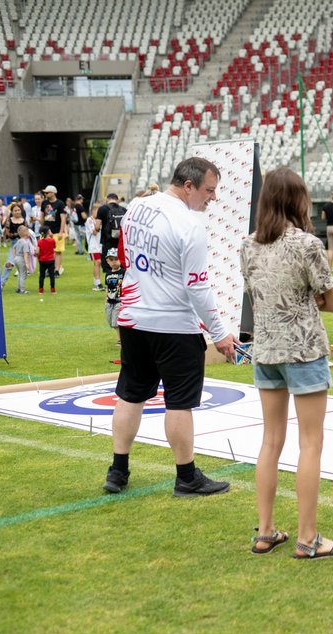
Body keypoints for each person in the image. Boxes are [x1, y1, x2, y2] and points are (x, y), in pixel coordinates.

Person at [102, 157, 237, 497]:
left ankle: (118, 470)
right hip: (174, 324)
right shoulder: (189, 225)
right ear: (188, 185)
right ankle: (186, 476)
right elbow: (197, 287)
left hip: (134, 318)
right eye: (209, 190)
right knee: (179, 403)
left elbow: (129, 257)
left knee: (131, 394)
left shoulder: (136, 207)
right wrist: (219, 333)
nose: (213, 198)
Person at [240, 168, 333, 559]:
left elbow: (257, 296)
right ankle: (308, 537)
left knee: (270, 441)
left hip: (266, 349)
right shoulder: (306, 244)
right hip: (303, 349)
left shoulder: (248, 245)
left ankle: (266, 530)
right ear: (298, 200)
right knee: (310, 444)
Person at [96, 193, 127, 275]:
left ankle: (110, 283)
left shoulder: (102, 209)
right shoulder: (124, 210)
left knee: (108, 264)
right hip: (121, 242)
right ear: (117, 200)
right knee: (121, 263)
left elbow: (97, 226)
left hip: (108, 242)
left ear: (107, 199)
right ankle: (121, 284)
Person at [40, 185, 67, 276]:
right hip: (45, 231)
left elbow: (63, 218)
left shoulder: (60, 203)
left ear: (53, 193)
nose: (45, 194)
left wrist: (61, 232)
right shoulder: (44, 203)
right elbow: (42, 216)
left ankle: (56, 270)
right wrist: (41, 227)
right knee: (45, 251)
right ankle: (48, 269)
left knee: (57, 251)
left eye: (47, 192)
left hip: (56, 230)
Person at [1, 226, 33, 293]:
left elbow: (14, 248)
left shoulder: (19, 241)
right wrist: (27, 264)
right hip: (21, 259)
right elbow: (25, 254)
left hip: (16, 259)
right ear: (26, 233)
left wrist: (15, 257)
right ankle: (22, 290)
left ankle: (18, 289)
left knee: (20, 274)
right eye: (28, 231)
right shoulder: (25, 243)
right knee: (23, 275)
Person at [104, 248, 125, 342]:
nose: (114, 262)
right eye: (111, 260)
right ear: (107, 261)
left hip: (119, 301)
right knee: (111, 321)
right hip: (109, 301)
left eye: (116, 259)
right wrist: (105, 300)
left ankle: (120, 339)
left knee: (116, 322)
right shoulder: (108, 274)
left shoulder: (124, 272)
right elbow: (107, 287)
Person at [86, 203, 104, 290]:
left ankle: (96, 282)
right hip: (93, 245)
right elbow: (94, 232)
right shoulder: (89, 220)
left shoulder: (100, 220)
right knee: (98, 262)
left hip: (100, 245)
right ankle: (97, 283)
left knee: (98, 263)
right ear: (93, 210)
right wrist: (99, 224)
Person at [36, 226, 57, 296]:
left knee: (42, 276)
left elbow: (37, 252)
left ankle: (41, 289)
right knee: (52, 275)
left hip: (42, 260)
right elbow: (54, 247)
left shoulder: (39, 242)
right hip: (51, 260)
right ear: (48, 232)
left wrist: (36, 255)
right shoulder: (52, 240)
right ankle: (53, 289)